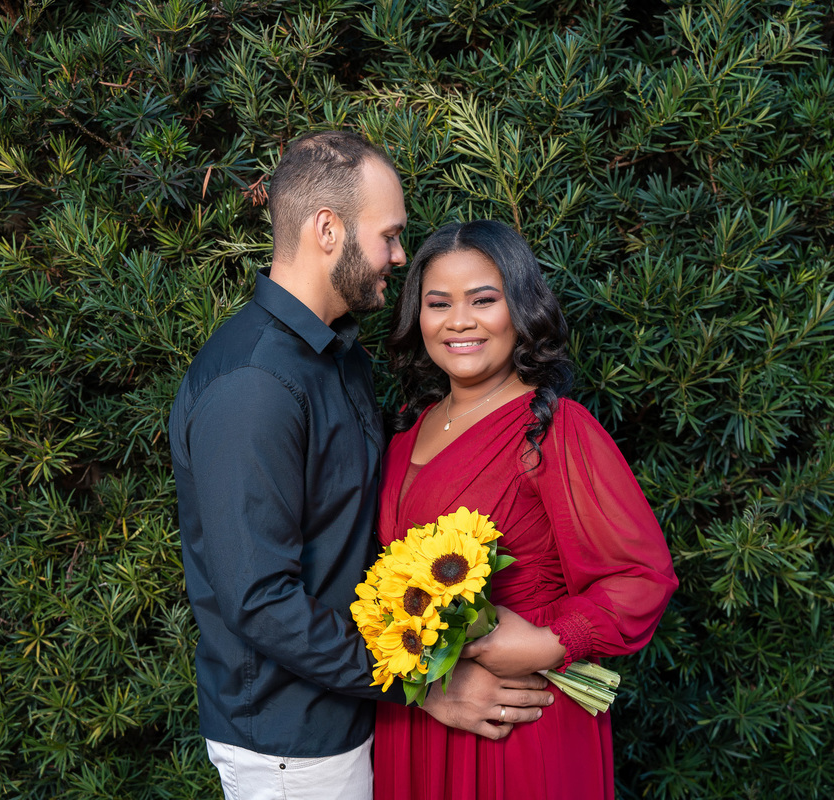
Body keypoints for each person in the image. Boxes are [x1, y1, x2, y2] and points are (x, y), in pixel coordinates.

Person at [168, 134, 553, 800]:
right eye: (390, 236)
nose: (401, 258)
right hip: (294, 743)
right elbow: (260, 601)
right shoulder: (255, 383)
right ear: (327, 230)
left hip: (348, 713)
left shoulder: (337, 355)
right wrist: (423, 680)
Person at [374, 219, 679, 800]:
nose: (459, 321)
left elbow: (642, 575)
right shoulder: (401, 440)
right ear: (418, 317)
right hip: (420, 711)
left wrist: (554, 642)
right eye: (438, 304)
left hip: (518, 721)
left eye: (483, 301)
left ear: (519, 308)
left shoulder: (555, 432)